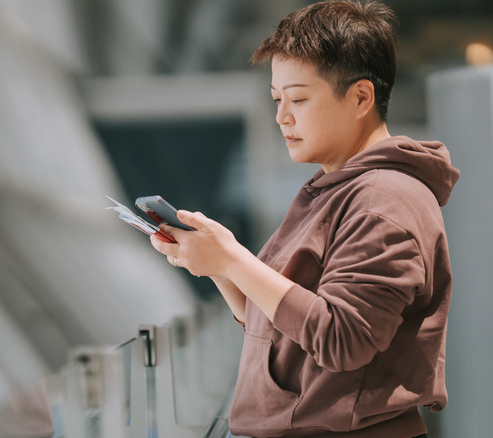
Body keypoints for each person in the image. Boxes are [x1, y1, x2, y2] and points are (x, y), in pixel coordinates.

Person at [149, 1, 460, 437]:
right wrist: (218, 264)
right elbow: (279, 322)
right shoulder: (336, 188)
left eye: (298, 98)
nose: (282, 117)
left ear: (361, 97)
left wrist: (233, 260)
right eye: (277, 99)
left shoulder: (383, 200)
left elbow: (343, 338)